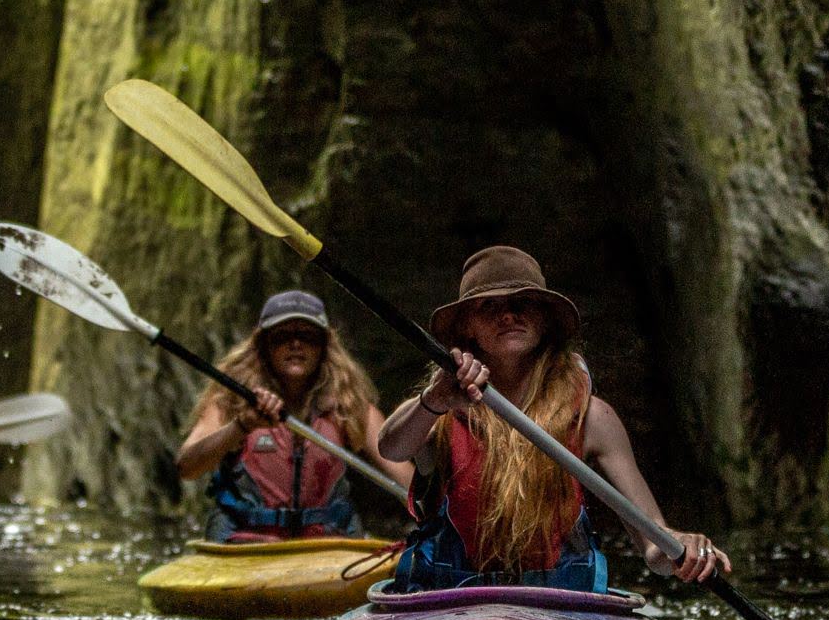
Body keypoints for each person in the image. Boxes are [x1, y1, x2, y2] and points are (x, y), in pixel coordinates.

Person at [375, 245, 732, 592]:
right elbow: (391, 447)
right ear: (468, 326)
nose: (509, 316)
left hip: (555, 607)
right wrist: (433, 400)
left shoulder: (593, 418)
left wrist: (681, 547)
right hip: (452, 600)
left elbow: (654, 546)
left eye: (523, 304)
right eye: (489, 307)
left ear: (545, 321)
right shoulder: (437, 408)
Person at [176, 291, 413, 542]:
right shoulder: (231, 400)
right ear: (264, 346)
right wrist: (241, 426)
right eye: (282, 336)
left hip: (325, 544)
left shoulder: (349, 405)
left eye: (307, 336)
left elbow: (408, 481)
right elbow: (187, 467)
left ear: (323, 347)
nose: (295, 344)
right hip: (246, 542)